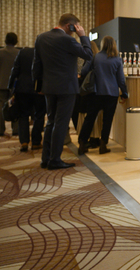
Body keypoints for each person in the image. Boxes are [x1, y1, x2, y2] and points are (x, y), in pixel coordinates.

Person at [33, 13, 92, 170]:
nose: (75, 31)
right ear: (69, 26)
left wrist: (38, 86)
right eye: (74, 28)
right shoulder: (68, 39)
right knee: (61, 123)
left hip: (49, 88)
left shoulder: (41, 37)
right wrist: (83, 36)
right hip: (66, 88)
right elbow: (88, 55)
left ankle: (46, 158)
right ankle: (55, 160)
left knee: (51, 121)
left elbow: (36, 64)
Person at [78, 36, 128, 155]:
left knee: (89, 118)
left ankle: (82, 143)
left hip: (95, 93)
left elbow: (84, 71)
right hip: (111, 94)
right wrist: (124, 93)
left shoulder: (95, 57)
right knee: (107, 120)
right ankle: (103, 145)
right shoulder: (117, 60)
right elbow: (121, 79)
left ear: (102, 44)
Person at [8, 47, 44, 151]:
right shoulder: (44, 52)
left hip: (22, 88)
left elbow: (15, 70)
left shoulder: (23, 52)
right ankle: (36, 142)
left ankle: (24, 142)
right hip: (39, 89)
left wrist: (10, 86)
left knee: (23, 115)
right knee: (39, 115)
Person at [0, 33, 20, 137]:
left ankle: (0, 130)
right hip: (15, 85)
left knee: (0, 107)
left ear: (5, 40)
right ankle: (16, 129)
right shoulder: (19, 53)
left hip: (0, 84)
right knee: (16, 105)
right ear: (16, 41)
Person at [77, 41, 104, 150]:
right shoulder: (99, 58)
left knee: (87, 115)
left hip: (88, 89)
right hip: (98, 89)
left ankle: (84, 140)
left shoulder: (89, 58)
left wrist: (79, 74)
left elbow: (83, 71)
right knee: (96, 114)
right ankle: (95, 139)